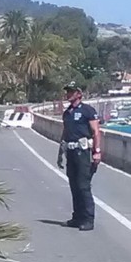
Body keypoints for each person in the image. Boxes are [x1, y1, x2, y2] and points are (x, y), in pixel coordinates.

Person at [56, 81, 102, 231]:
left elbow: (96, 132)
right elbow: (65, 132)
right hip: (71, 152)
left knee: (83, 186)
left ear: (79, 94)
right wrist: (60, 152)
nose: (68, 94)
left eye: (71, 91)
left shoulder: (87, 111)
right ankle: (77, 217)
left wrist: (97, 151)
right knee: (74, 186)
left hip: (83, 153)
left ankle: (88, 219)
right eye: (67, 91)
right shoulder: (67, 112)